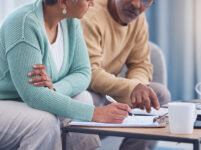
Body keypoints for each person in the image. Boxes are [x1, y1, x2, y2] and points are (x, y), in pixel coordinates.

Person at [0, 0, 131, 149]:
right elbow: (33, 95)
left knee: (84, 98)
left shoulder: (70, 22)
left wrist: (54, 89)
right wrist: (94, 113)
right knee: (44, 122)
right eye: (87, 0)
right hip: (5, 101)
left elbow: (82, 72)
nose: (93, 3)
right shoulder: (23, 23)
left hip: (25, 100)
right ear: (63, 2)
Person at [81, 0, 171, 149]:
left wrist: (137, 87)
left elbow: (140, 64)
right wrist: (133, 87)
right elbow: (89, 72)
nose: (136, 5)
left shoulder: (139, 20)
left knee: (159, 94)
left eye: (145, 1)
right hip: (88, 89)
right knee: (88, 100)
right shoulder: (90, 14)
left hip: (112, 89)